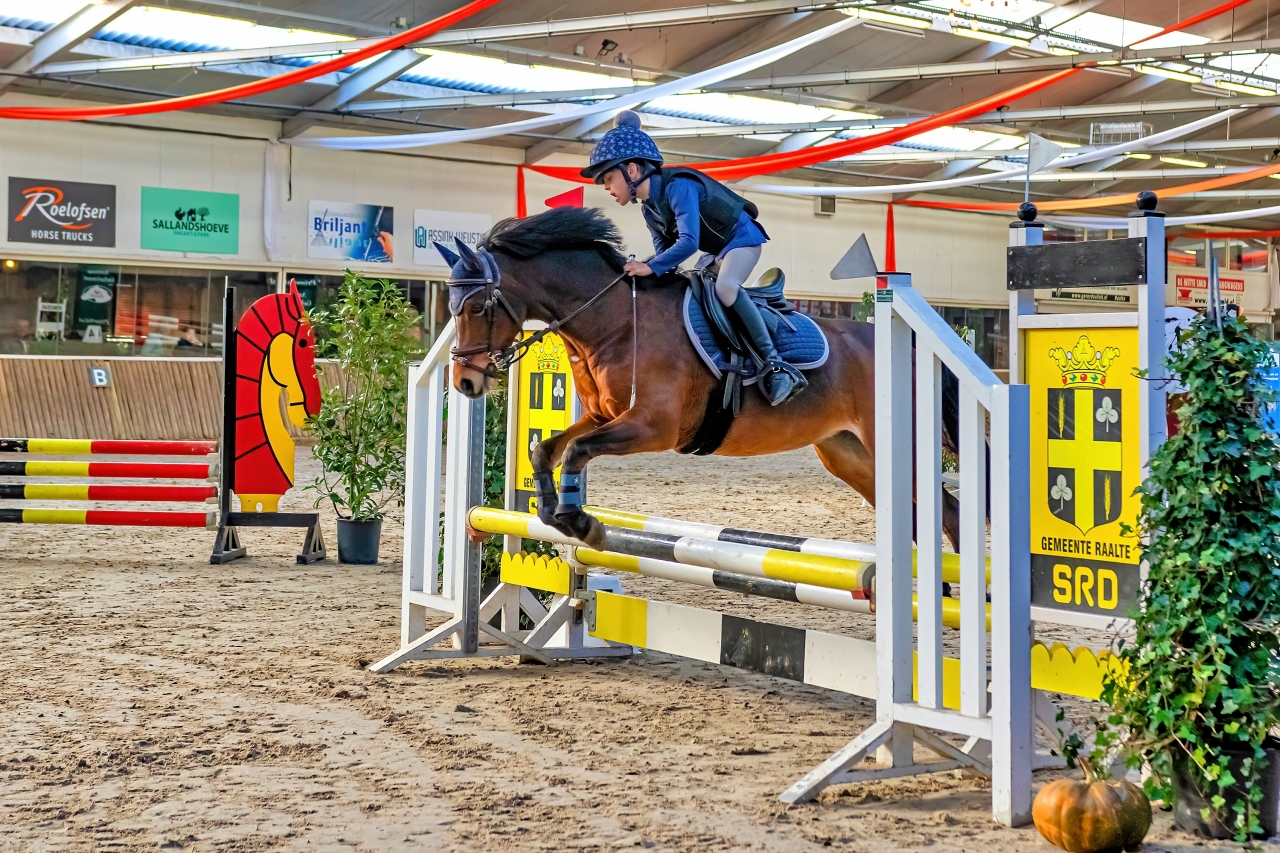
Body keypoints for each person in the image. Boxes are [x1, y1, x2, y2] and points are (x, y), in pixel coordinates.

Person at [580, 110, 803, 406]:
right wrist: (646, 272)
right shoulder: (649, 208)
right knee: (692, 288)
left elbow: (688, 242)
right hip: (716, 251)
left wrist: (648, 267)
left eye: (608, 178)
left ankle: (776, 367)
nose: (607, 187)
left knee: (726, 288)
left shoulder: (678, 186)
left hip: (742, 239)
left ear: (632, 171)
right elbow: (666, 257)